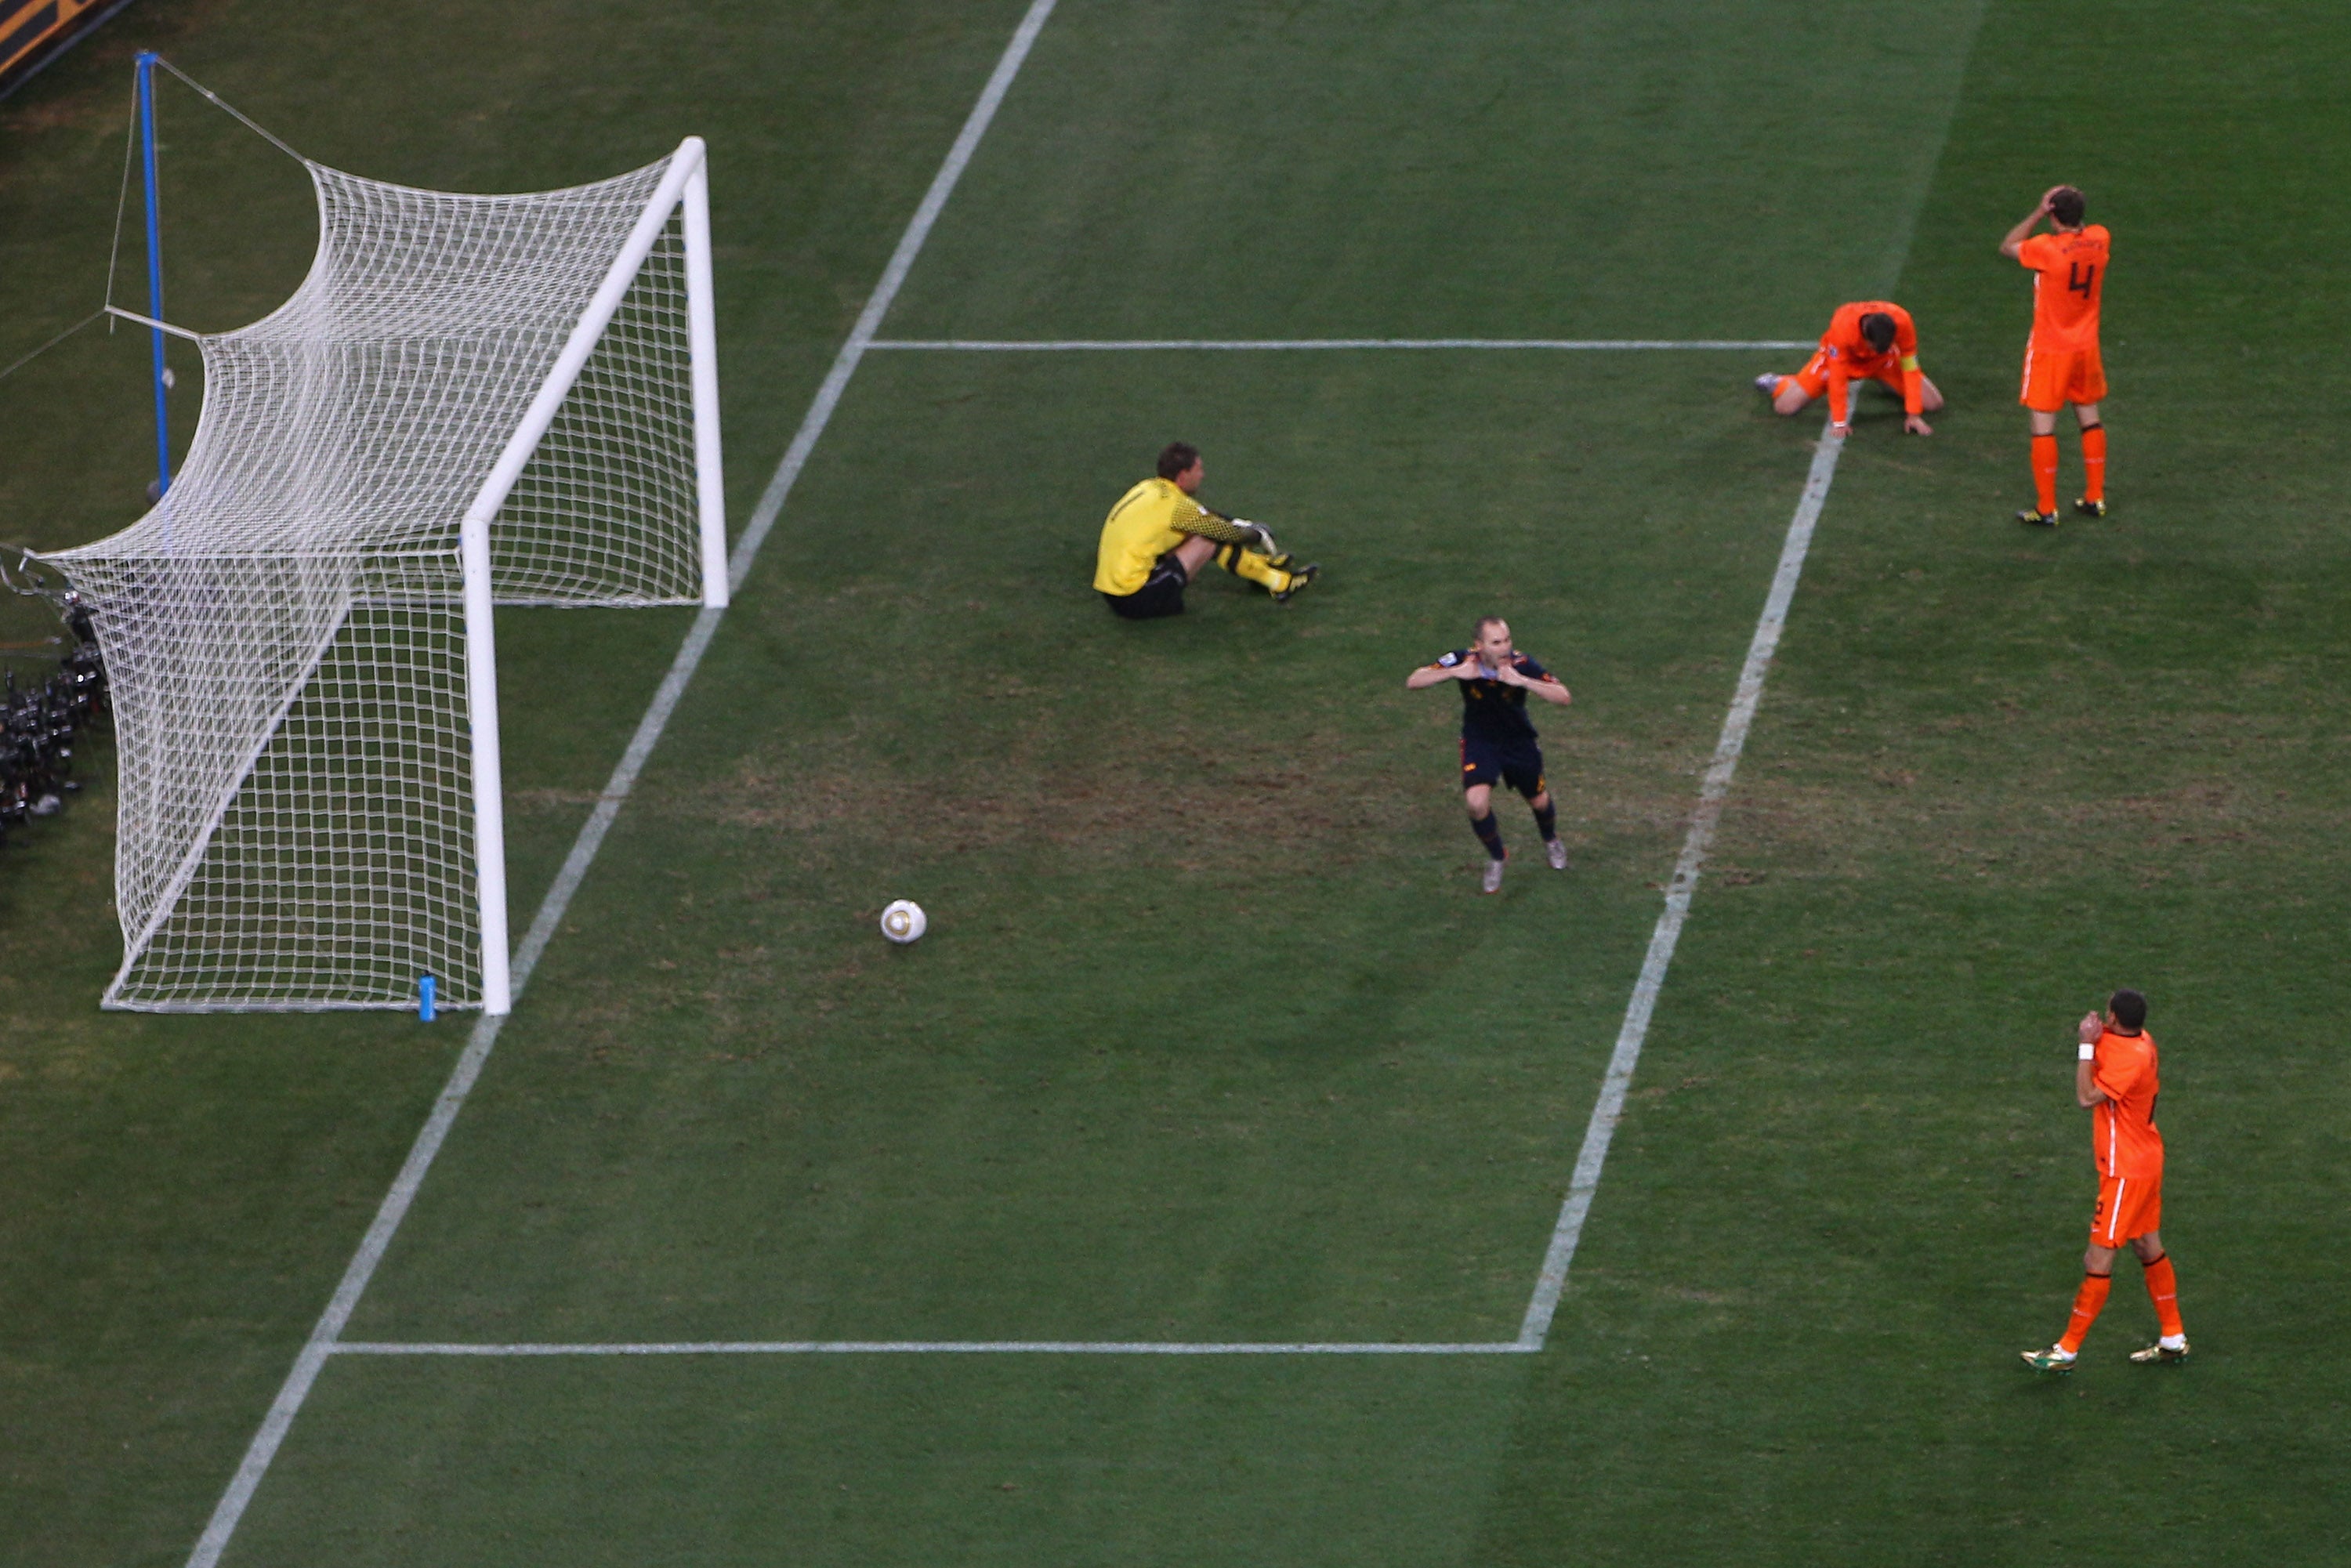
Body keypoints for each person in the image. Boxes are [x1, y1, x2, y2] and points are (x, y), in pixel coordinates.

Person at [2022, 988, 2190, 1373]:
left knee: (2097, 1257)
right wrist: (2096, 1039)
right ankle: (2173, 1337)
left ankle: (2066, 1351)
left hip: (2125, 1171)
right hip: (2146, 1160)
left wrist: (2084, 1045)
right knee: (2148, 1246)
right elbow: (2111, 1048)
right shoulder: (2141, 1041)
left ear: (2114, 1019)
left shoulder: (2128, 1060)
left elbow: (2086, 1097)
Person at [1404, 617, 1572, 893]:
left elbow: (1563, 696)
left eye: (1507, 640)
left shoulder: (1521, 664)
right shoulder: (1462, 660)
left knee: (1539, 801)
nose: (1505, 647)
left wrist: (1522, 681)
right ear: (1479, 645)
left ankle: (1551, 840)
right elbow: (1414, 681)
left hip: (1519, 742)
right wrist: (1455, 672)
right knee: (1476, 803)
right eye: (1496, 642)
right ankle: (1497, 857)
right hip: (1480, 742)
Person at [1094, 443, 1317, 618]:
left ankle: (1260, 570)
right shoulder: (1176, 508)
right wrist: (1256, 534)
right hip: (1136, 600)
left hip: (1114, 593)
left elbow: (1206, 516)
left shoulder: (1149, 488)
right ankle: (1279, 584)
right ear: (1183, 476)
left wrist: (1244, 524)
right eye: (1198, 469)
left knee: (1194, 535)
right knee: (1207, 540)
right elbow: (1222, 531)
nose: (1202, 475)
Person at [1999, 185, 2111, 526]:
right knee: (2090, 419)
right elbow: (2086, 233)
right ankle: (2095, 496)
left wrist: (2036, 212)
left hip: (2050, 350)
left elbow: (2007, 246)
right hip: (2086, 346)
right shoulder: (2100, 238)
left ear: (2052, 214)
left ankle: (2047, 507)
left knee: (2043, 428)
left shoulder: (2046, 250)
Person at [1754, 300, 1942, 435]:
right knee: (1784, 407)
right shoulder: (1843, 329)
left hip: (1885, 363)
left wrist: (1914, 415)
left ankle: (1887, 382)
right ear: (1865, 338)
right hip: (1840, 364)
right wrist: (1839, 422)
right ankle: (1783, 382)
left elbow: (1910, 366)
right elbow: (1838, 378)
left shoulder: (1903, 321)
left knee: (1933, 404)